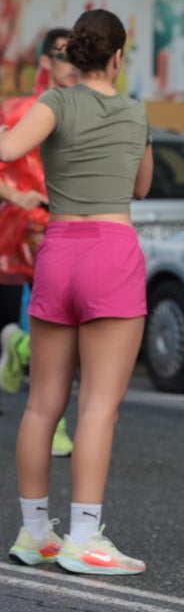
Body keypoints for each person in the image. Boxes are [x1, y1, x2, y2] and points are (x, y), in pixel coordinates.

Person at [0, 8, 153, 574]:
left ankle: (35, 532)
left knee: (42, 404)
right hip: (111, 251)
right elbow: (142, 184)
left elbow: (11, 151)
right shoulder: (135, 112)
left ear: (71, 58)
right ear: (118, 57)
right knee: (97, 407)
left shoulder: (54, 104)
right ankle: (85, 538)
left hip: (58, 249)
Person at [0, 28, 79, 457]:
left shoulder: (89, 107)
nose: (72, 64)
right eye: (63, 55)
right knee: (49, 332)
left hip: (68, 230)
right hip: (18, 233)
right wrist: (14, 194)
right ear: (44, 61)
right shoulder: (20, 109)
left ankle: (14, 345)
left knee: (64, 329)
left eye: (78, 56)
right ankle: (55, 423)